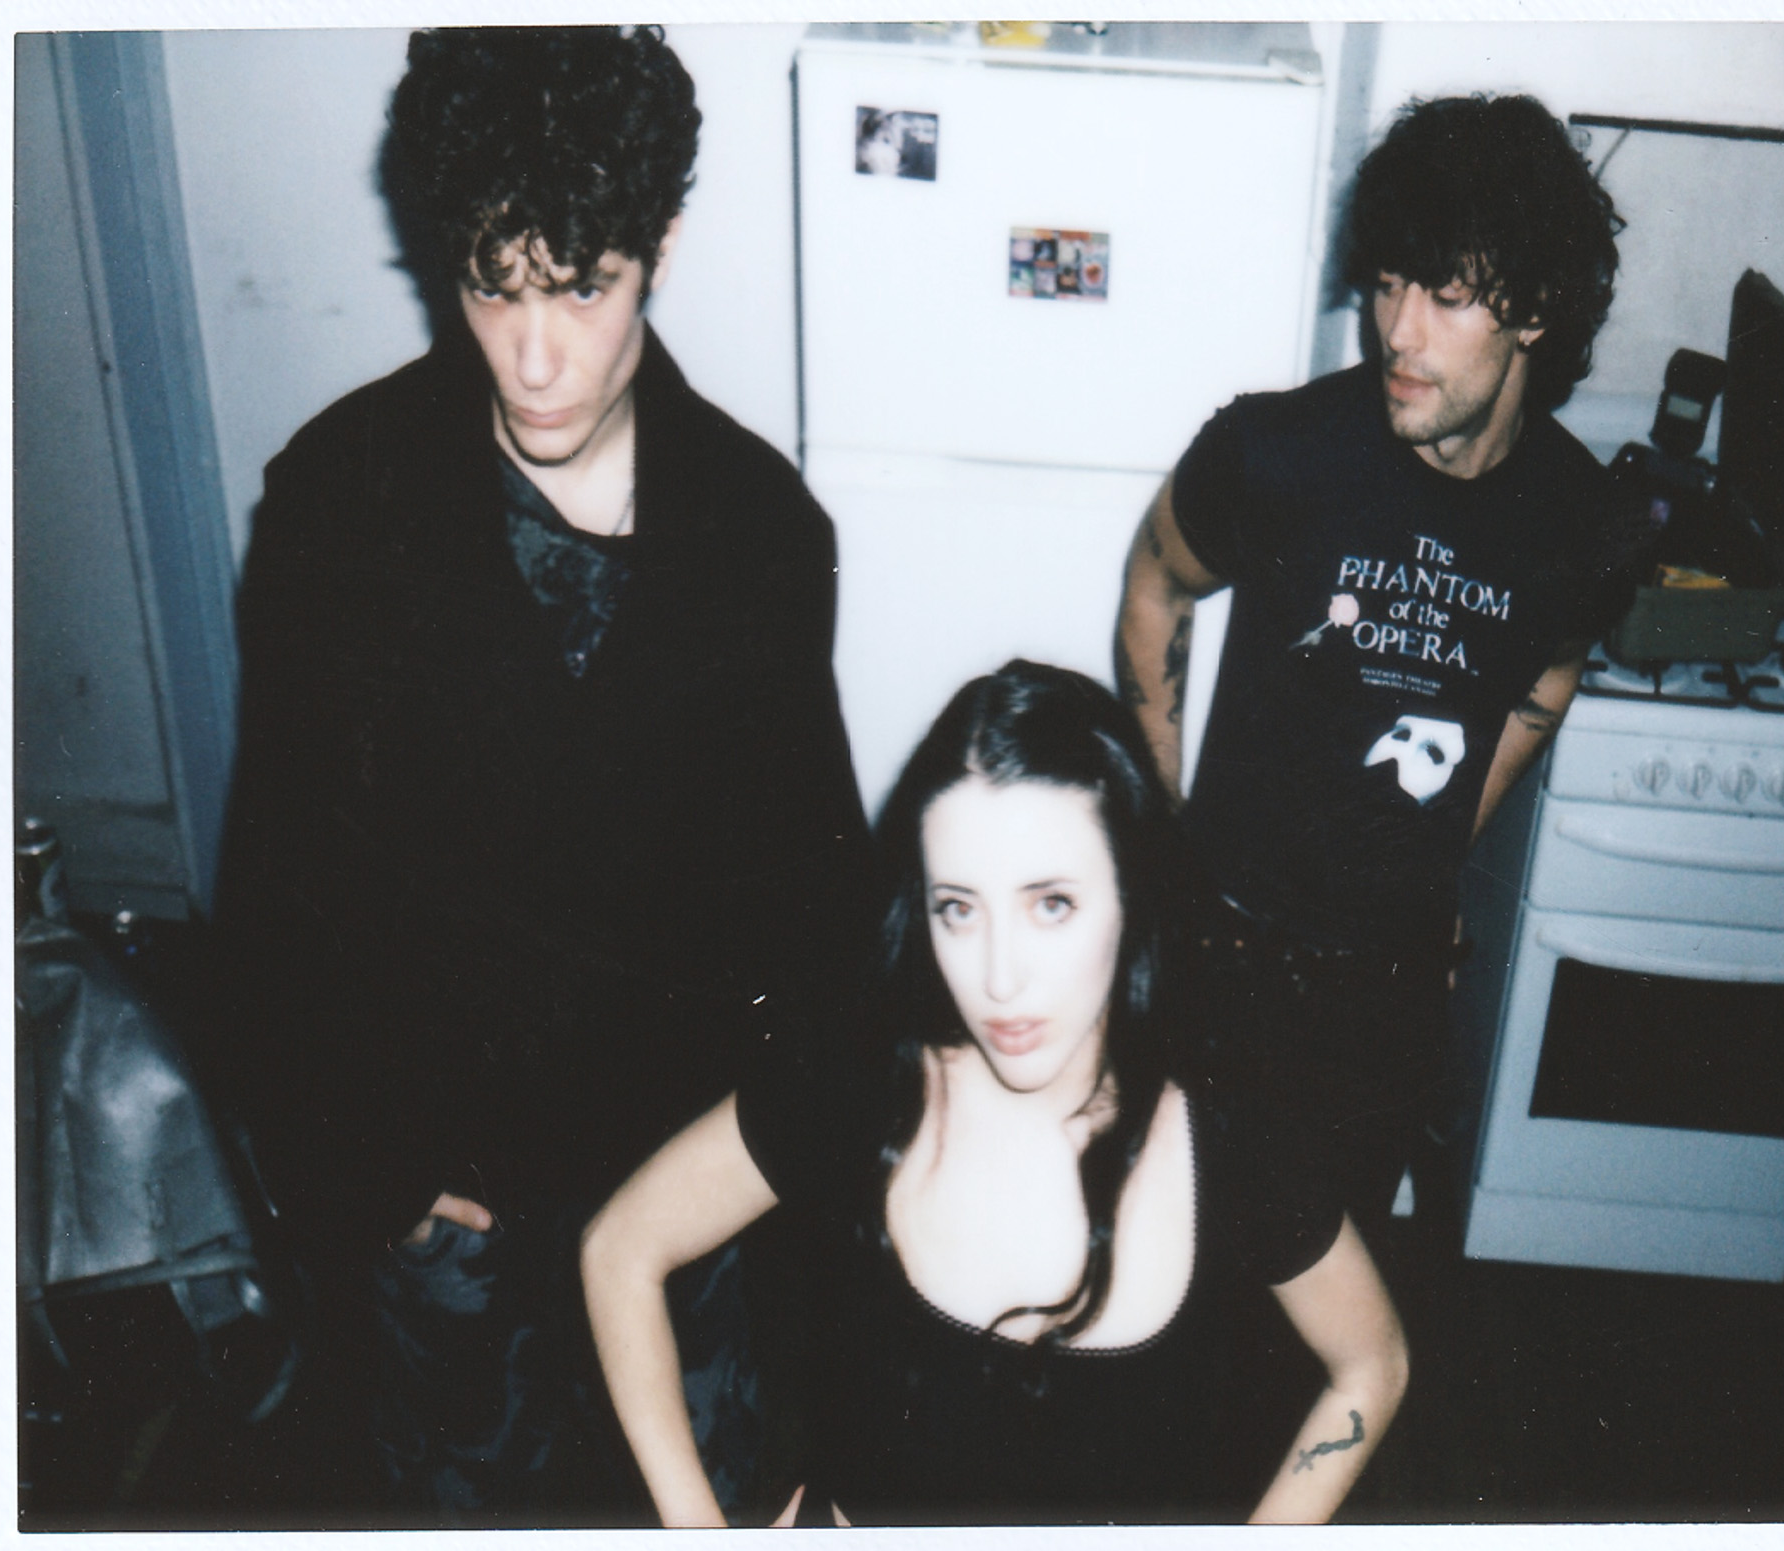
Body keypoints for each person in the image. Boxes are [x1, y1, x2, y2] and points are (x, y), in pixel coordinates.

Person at [214, 26, 869, 1521]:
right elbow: (277, 884)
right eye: (491, 287)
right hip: (449, 1198)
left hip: (681, 1190)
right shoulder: (337, 507)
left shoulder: (764, 534)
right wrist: (381, 1179)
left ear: (660, 250)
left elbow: (813, 902)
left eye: (583, 287)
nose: (532, 356)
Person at [581, 660, 1409, 1526]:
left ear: (1133, 893)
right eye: (958, 908)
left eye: (1050, 904)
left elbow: (1372, 1362)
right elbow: (619, 1247)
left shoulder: (1233, 1134)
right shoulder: (856, 1082)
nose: (999, 979)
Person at [1114, 94, 1649, 1238]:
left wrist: (1441, 841)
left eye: (1444, 297)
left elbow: (1545, 679)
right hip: (1221, 951)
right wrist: (1159, 833)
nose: (1396, 332)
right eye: (1388, 283)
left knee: (1323, 1270)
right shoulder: (1272, 454)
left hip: (1385, 992)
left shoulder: (1584, 528)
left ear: (1535, 311)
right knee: (1173, 1262)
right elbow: (1156, 584)